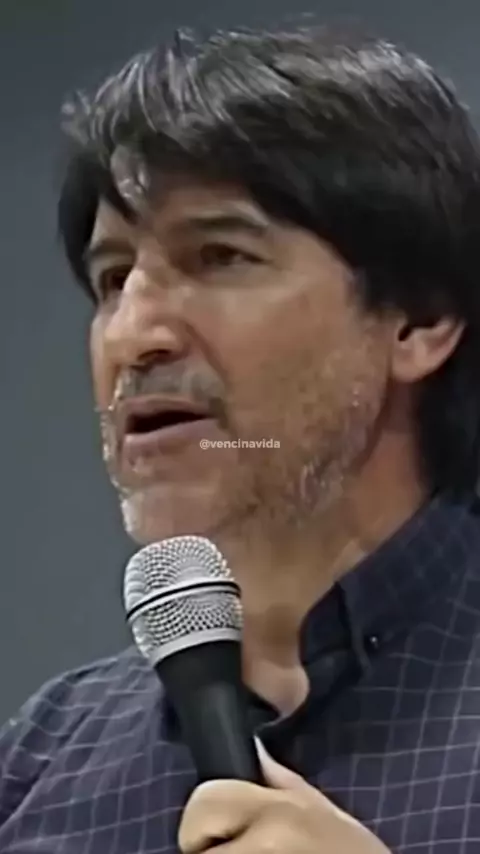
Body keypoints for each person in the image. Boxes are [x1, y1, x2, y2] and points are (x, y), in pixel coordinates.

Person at [2, 21, 480, 854]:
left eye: (219, 256)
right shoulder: (40, 767)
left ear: (419, 318)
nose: (133, 337)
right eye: (113, 279)